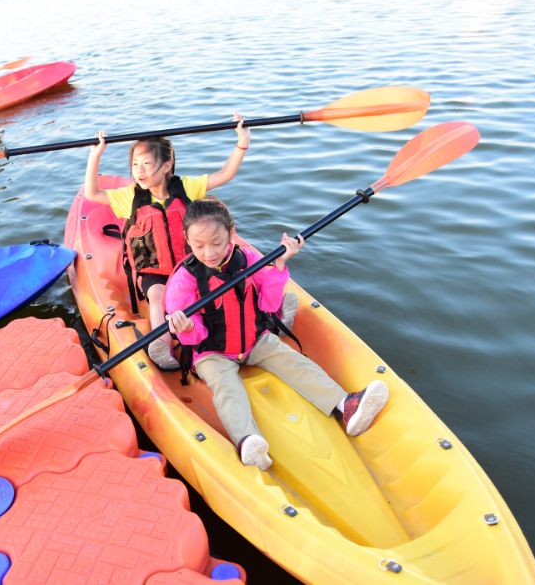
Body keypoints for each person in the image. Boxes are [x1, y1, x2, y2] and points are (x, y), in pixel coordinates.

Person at [164, 197, 389, 470]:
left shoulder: (248, 258)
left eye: (217, 243)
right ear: (187, 240)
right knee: (227, 389)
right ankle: (247, 440)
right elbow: (194, 337)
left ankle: (345, 405)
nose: (209, 252)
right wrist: (186, 328)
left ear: (232, 233)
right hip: (213, 352)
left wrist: (280, 265)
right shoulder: (182, 281)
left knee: (293, 360)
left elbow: (268, 305)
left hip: (253, 339)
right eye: (198, 245)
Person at [84, 114, 252, 370]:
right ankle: (160, 343)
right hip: (155, 271)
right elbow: (91, 193)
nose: (139, 171)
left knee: (224, 281)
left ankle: (258, 322)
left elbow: (226, 174)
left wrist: (242, 143)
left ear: (166, 165)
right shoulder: (130, 196)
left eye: (147, 163)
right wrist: (96, 155)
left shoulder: (186, 187)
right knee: (158, 295)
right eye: (135, 164)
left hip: (193, 264)